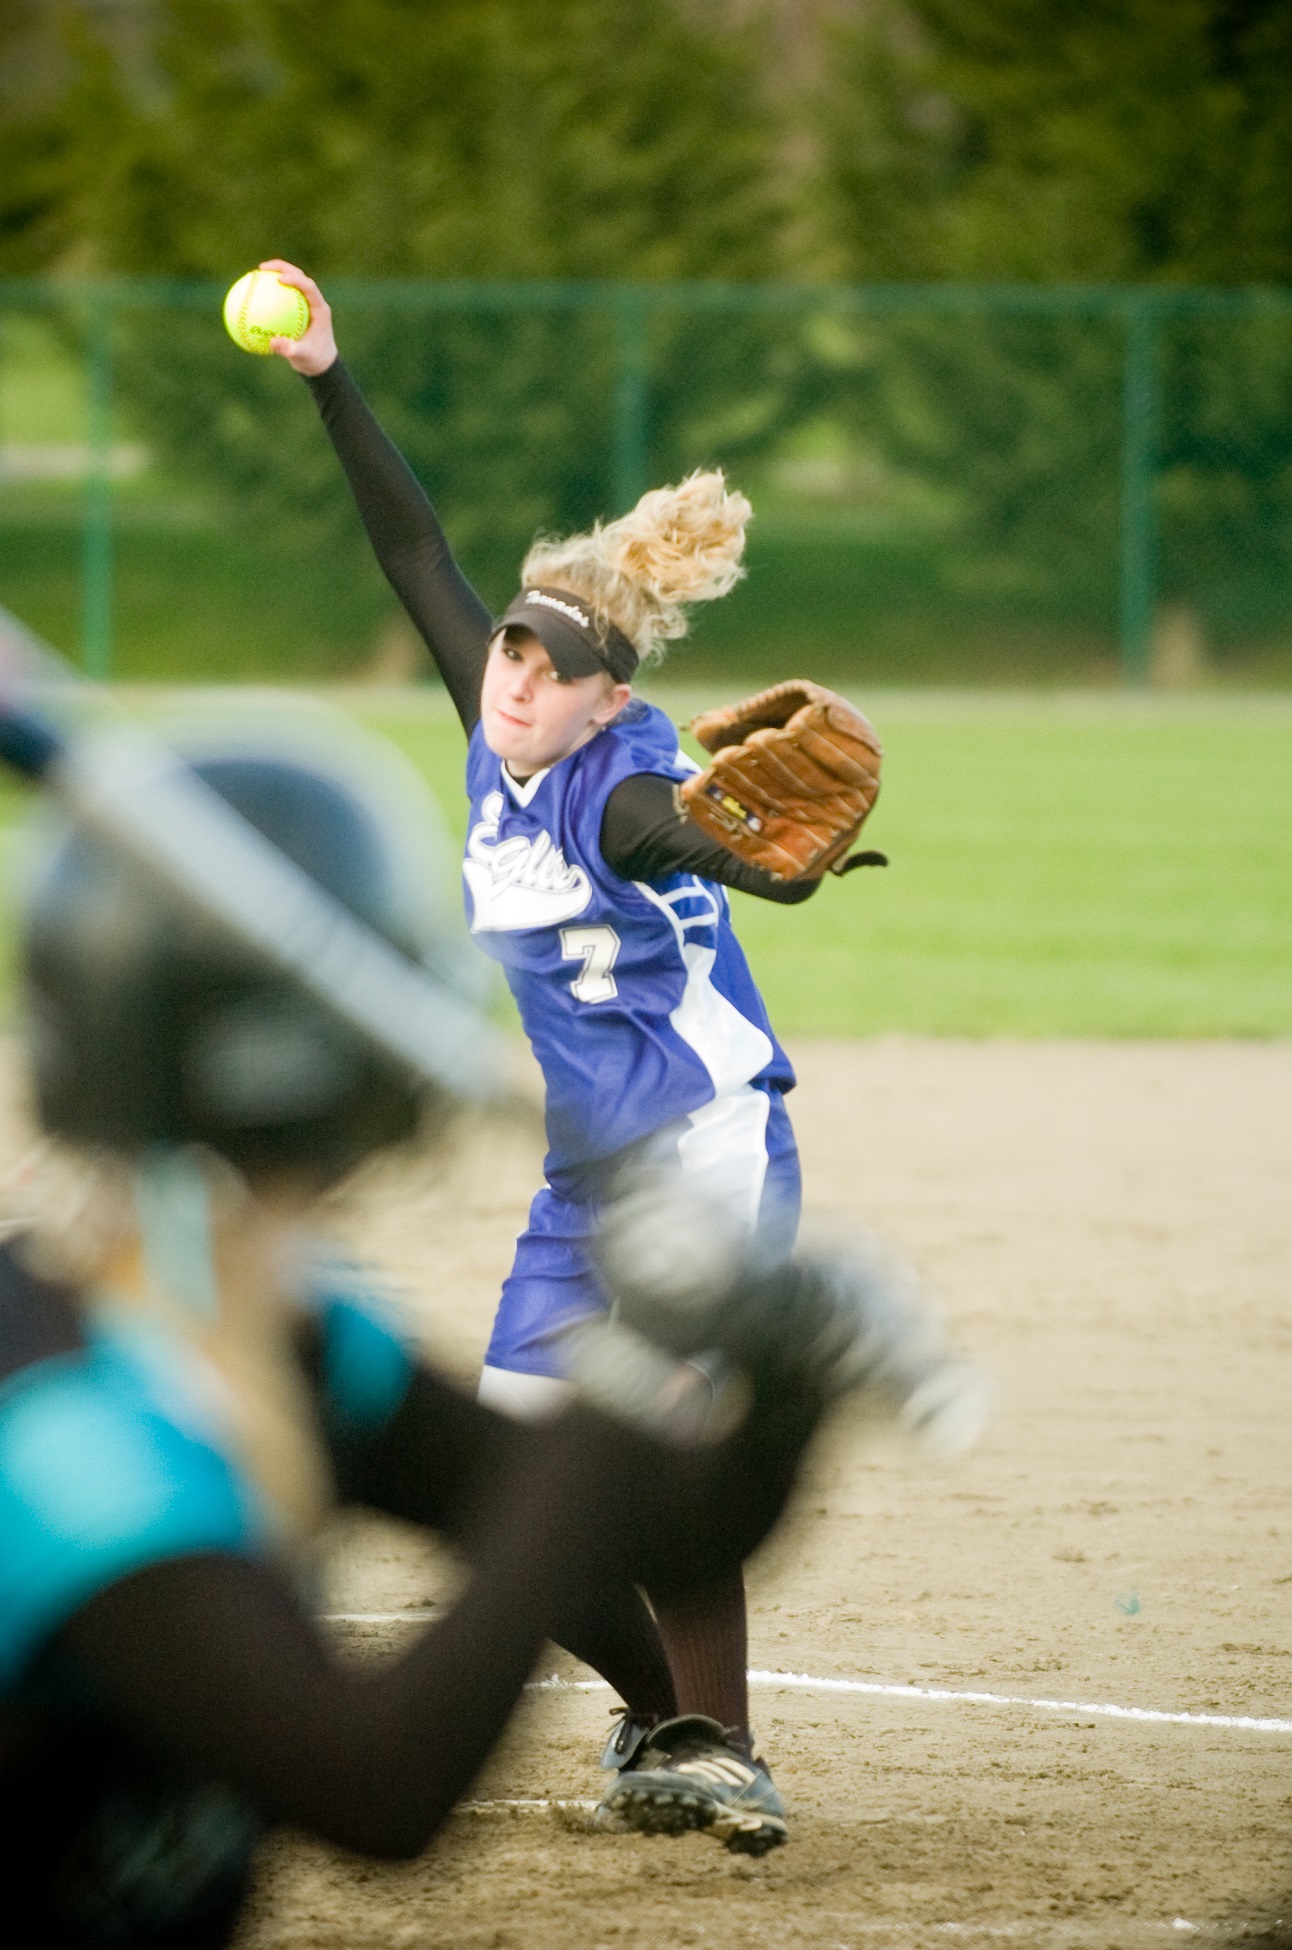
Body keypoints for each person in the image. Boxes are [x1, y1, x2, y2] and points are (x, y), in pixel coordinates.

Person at [0, 728, 836, 1946]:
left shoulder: (276, 1330)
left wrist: (790, 1371)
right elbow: (375, 1789)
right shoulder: (68, 1439)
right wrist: (605, 1417)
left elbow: (678, 1522)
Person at [262, 260, 875, 1852]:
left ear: (613, 700)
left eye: (548, 671)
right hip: (587, 1169)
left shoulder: (613, 784)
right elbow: (413, 545)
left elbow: (670, 829)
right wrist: (331, 370)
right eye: (510, 657)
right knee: (507, 1484)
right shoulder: (496, 719)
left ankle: (722, 1742)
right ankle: (662, 1716)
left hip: (705, 1144)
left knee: (654, 1436)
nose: (514, 680)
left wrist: (754, 862)